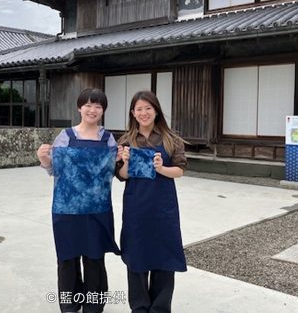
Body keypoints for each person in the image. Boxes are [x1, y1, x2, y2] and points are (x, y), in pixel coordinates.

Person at [37, 87, 121, 313]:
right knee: (67, 259)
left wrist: (123, 159)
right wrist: (44, 159)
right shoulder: (65, 136)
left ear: (103, 111)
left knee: (94, 259)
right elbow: (55, 170)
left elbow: (113, 171)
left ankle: (93, 306)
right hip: (66, 210)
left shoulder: (108, 139)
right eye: (88, 105)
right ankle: (70, 306)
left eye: (98, 106)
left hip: (97, 210)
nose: (92, 110)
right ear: (79, 107)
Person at [116, 90, 187, 313]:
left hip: (163, 207)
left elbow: (180, 170)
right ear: (132, 113)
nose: (144, 113)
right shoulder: (126, 140)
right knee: (137, 255)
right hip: (136, 207)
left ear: (156, 111)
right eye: (139, 109)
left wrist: (161, 168)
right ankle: (139, 307)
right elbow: (121, 176)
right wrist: (125, 161)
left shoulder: (170, 139)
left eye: (148, 108)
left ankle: (160, 308)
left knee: (163, 256)